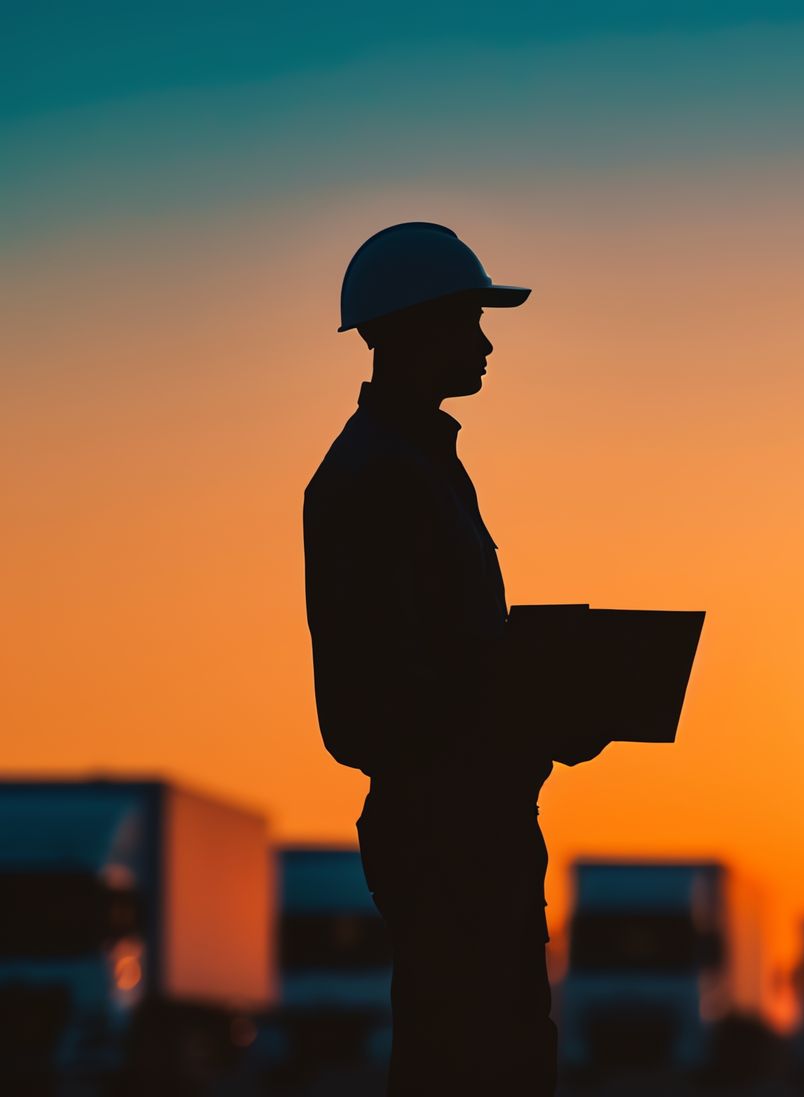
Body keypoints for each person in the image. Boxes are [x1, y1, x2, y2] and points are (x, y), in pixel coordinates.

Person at [303, 222, 558, 1095]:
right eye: (468, 322)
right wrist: (531, 707)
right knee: (473, 1062)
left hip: (469, 817)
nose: (486, 343)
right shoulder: (382, 478)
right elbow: (390, 693)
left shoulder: (417, 465)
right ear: (411, 330)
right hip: (450, 827)